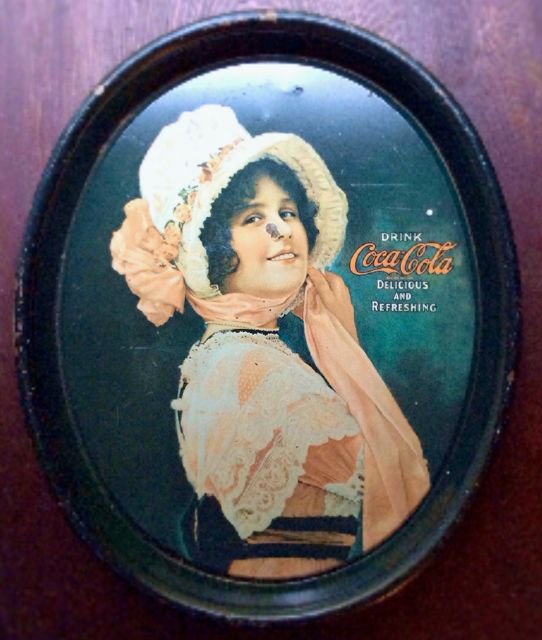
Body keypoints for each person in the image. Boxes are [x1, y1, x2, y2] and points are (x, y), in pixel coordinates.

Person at [110, 104, 430, 579]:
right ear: (214, 249)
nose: (280, 228)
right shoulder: (247, 366)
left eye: (287, 211)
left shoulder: (236, 353)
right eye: (252, 218)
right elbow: (384, 472)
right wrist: (349, 351)